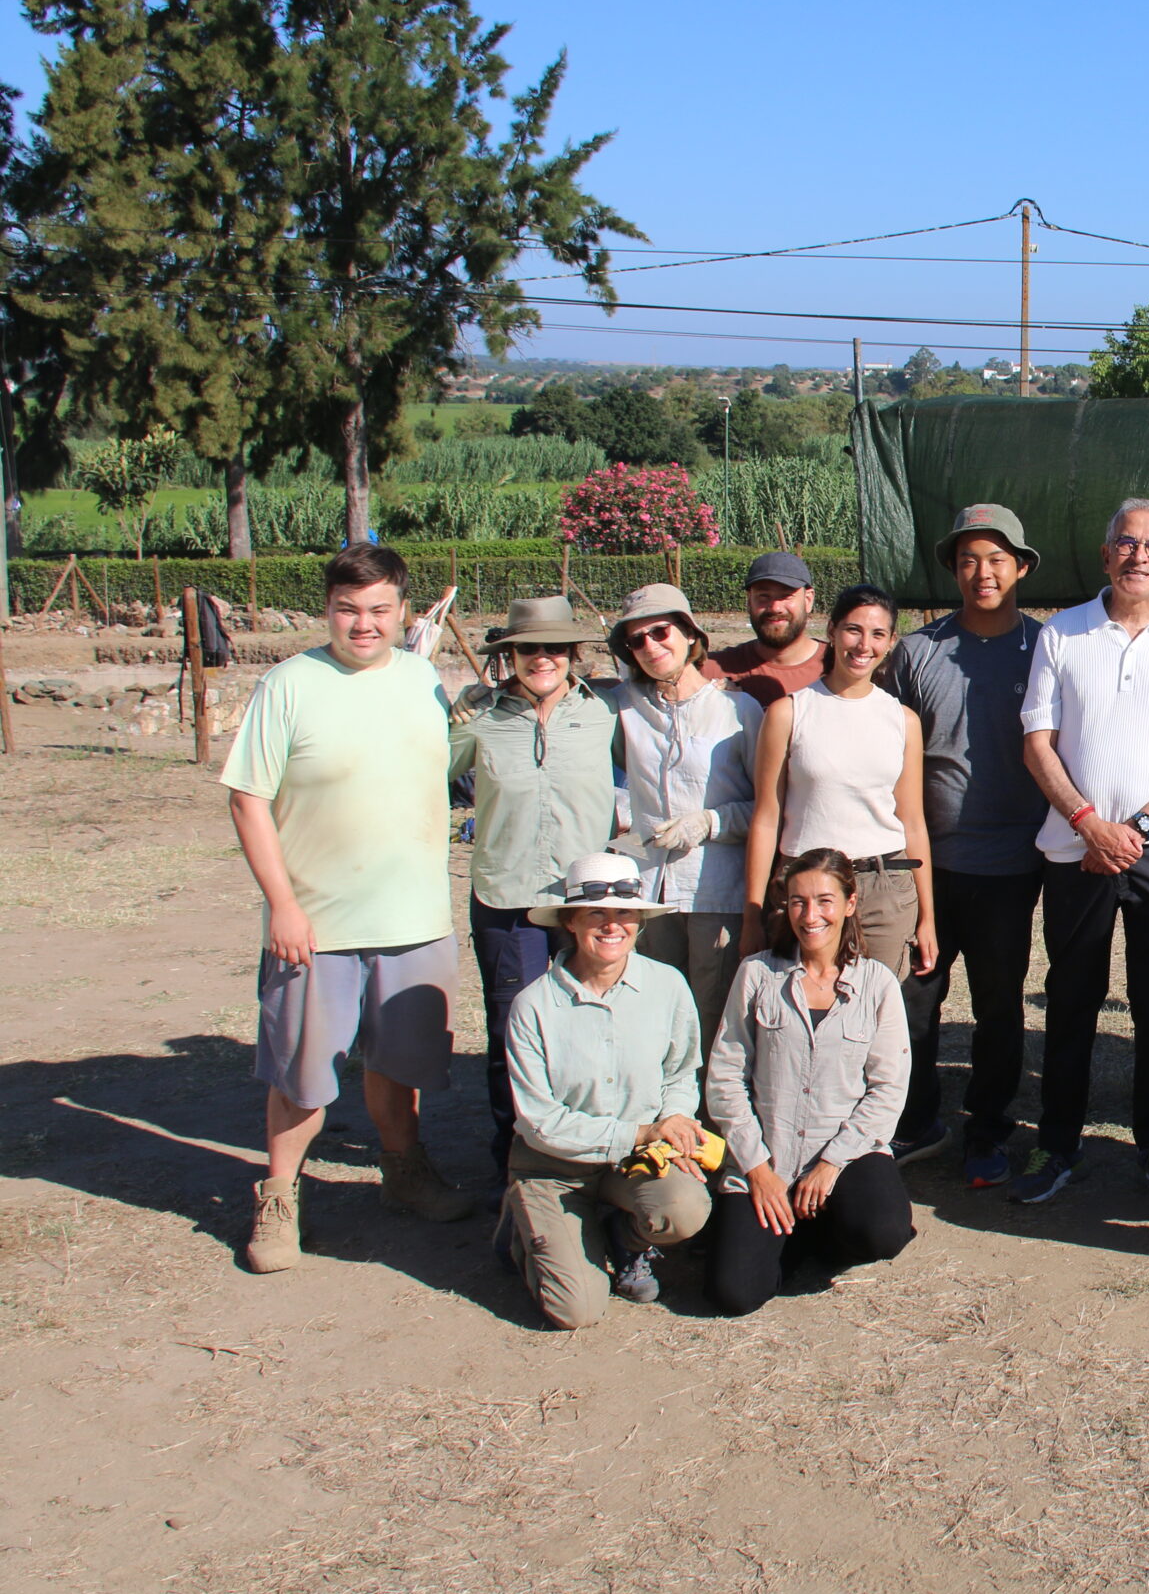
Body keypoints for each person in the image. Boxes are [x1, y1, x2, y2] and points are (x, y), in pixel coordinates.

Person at [224, 545, 473, 1274]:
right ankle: (278, 1197)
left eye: (378, 610)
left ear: (403, 610)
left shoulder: (425, 679)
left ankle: (405, 1173)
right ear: (326, 609)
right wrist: (282, 905)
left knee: (400, 1060)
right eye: (347, 609)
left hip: (415, 914)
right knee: (303, 1071)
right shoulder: (289, 685)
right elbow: (247, 800)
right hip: (317, 922)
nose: (362, 624)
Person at [1016, 498, 1149, 1205]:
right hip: (1075, 851)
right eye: (1127, 542)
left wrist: (1132, 825)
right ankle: (1056, 1143)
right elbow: (1037, 742)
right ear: (1106, 553)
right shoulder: (1061, 633)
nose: (1140, 555)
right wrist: (1086, 822)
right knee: (1071, 999)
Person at [878, 504, 1050, 1184]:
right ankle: (915, 1121)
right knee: (915, 996)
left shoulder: (1044, 648)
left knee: (998, 1003)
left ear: (1021, 568)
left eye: (998, 558)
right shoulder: (918, 652)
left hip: (1012, 864)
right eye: (970, 559)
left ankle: (988, 1127)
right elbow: (887, 750)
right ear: (953, 568)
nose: (984, 572)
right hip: (927, 863)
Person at [497, 852, 712, 1328]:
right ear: (571, 921)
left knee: (685, 1209)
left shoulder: (668, 986)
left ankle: (623, 1237)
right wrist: (641, 1132)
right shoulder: (533, 1007)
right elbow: (540, 1122)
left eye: (625, 913)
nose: (613, 925)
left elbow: (681, 1073)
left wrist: (674, 1121)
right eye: (597, 913)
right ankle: (527, 1221)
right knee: (576, 1311)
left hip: (635, 1158)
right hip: (554, 1165)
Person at [448, 595, 619, 1175]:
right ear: (509, 655)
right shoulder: (483, 721)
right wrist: (450, 719)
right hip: (509, 896)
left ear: (573, 653)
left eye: (553, 648)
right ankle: (516, 1160)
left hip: (586, 902)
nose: (540, 658)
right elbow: (427, 771)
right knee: (512, 1027)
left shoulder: (604, 715)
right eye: (527, 648)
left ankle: (587, 1152)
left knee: (590, 1021)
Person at [704, 848, 915, 1314]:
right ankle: (789, 1234)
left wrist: (830, 1164)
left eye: (824, 901)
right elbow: (725, 1077)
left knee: (884, 1231)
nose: (810, 915)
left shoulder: (878, 984)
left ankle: (826, 1231)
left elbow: (888, 1089)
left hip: (843, 1157)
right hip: (769, 1157)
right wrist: (758, 1169)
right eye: (797, 902)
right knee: (736, 1294)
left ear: (850, 904)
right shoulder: (756, 974)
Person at [742, 584, 938, 1015]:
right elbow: (766, 817)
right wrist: (752, 913)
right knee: (799, 1015)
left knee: (872, 1019)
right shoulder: (789, 712)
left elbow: (913, 821)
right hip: (804, 888)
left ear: (889, 643)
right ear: (831, 631)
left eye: (878, 634)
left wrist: (927, 916)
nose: (863, 645)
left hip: (883, 891)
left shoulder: (902, 721)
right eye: (853, 630)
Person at [609, 584, 761, 1048]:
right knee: (655, 1018)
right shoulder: (623, 708)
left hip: (715, 890)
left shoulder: (737, 712)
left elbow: (769, 807)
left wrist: (710, 822)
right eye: (637, 640)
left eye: (661, 631)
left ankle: (708, 1117)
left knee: (711, 1019)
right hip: (648, 891)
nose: (652, 646)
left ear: (690, 634)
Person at [706, 550, 827, 708]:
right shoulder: (714, 671)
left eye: (786, 596)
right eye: (764, 596)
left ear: (808, 600)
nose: (775, 607)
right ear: (749, 601)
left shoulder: (839, 667)